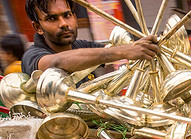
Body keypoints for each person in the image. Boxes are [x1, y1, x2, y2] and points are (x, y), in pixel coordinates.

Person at [22, 0, 159, 80]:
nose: (64, 23)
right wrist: (123, 51)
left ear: (75, 18)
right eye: (52, 18)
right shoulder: (32, 56)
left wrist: (143, 47)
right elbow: (57, 62)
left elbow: (107, 50)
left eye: (67, 15)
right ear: (38, 27)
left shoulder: (80, 46)